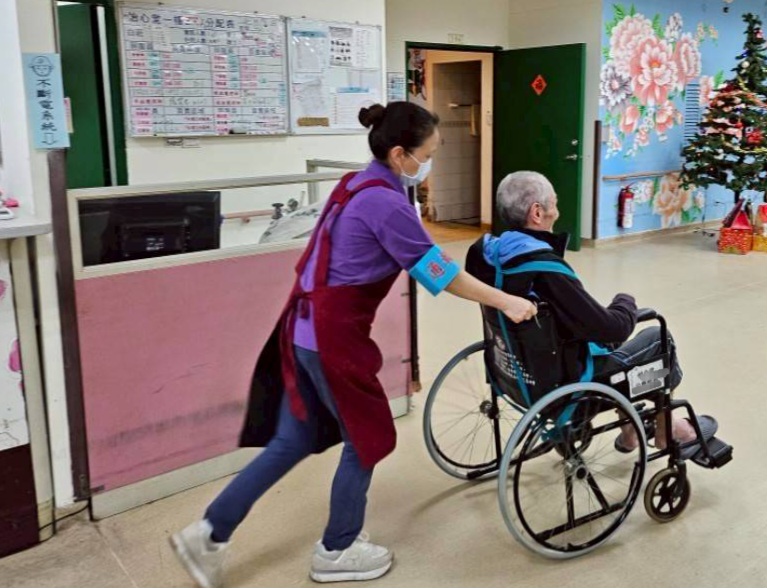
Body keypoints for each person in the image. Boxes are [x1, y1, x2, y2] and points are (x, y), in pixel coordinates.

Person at [170, 102, 537, 588]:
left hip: (302, 330)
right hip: (331, 339)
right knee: (369, 436)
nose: (429, 164)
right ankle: (337, 549)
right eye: (427, 155)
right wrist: (506, 301)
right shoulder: (385, 203)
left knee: (294, 440)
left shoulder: (356, 184)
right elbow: (439, 273)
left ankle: (208, 534)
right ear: (400, 154)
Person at [465, 171, 718, 456]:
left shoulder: (486, 256)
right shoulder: (545, 268)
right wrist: (625, 301)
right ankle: (668, 430)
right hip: (567, 388)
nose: (557, 212)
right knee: (659, 339)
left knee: (614, 348)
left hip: (513, 374)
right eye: (554, 204)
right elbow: (613, 328)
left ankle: (630, 429)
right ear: (537, 213)